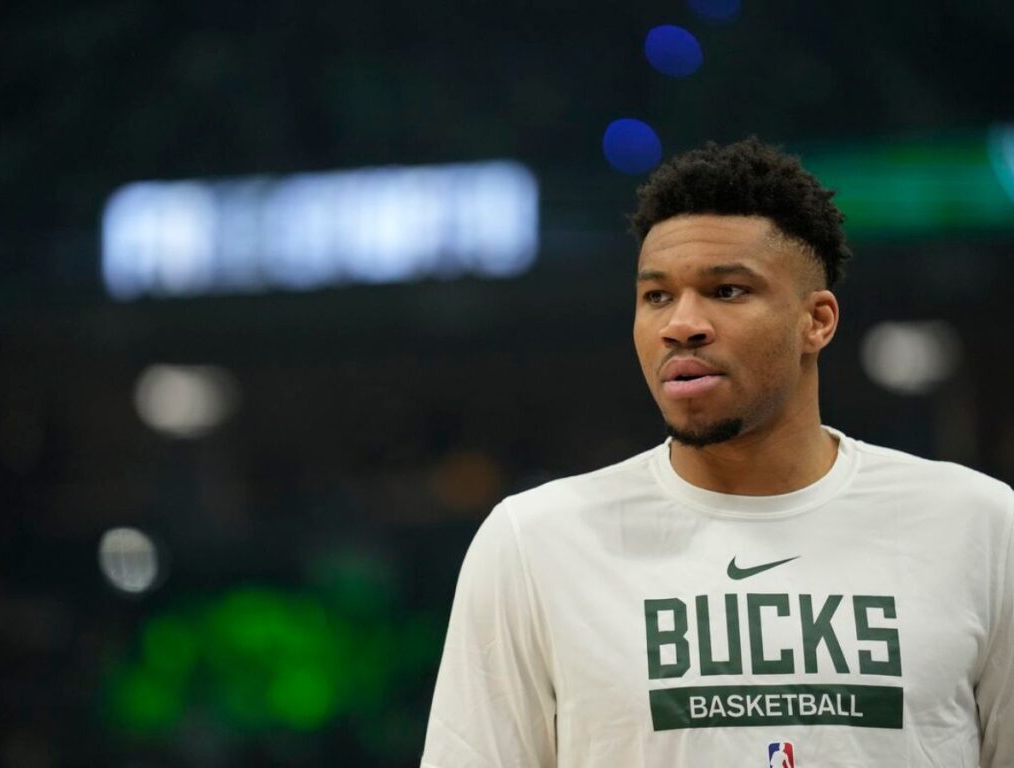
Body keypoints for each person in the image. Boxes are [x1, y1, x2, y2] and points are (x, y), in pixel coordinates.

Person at [420, 138, 1013, 767]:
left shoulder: (979, 524)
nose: (681, 323)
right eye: (657, 296)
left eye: (727, 290)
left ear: (817, 321)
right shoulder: (534, 543)